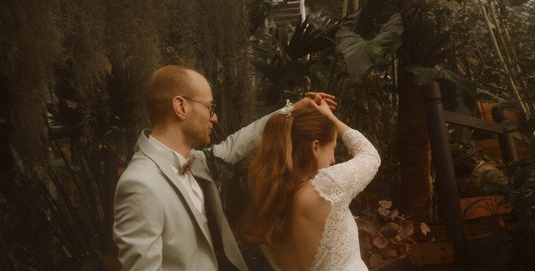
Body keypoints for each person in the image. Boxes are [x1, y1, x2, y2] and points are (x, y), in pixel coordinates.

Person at [113, 64, 335, 271]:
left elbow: (243, 141)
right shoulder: (140, 183)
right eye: (210, 107)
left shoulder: (195, 161)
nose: (215, 117)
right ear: (181, 107)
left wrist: (292, 109)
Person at [242, 96, 381, 270]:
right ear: (315, 147)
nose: (333, 160)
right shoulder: (325, 187)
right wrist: (331, 118)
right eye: (333, 148)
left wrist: (292, 110)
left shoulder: (268, 203)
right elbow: (370, 156)